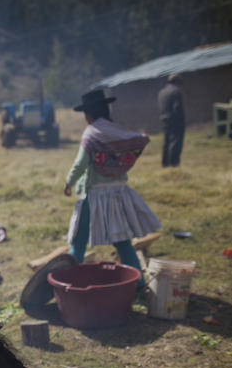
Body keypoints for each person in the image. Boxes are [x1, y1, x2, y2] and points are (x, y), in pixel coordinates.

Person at [64, 89, 160, 289]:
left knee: (78, 240)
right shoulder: (116, 131)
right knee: (122, 241)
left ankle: (68, 282)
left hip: (96, 195)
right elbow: (138, 141)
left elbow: (80, 163)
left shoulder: (92, 132)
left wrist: (69, 182)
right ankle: (139, 283)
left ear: (88, 114)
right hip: (119, 194)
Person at [158, 73, 185, 167]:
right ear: (177, 82)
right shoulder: (176, 91)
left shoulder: (162, 92)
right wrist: (181, 120)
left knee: (166, 142)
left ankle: (165, 163)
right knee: (175, 142)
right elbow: (177, 107)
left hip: (165, 119)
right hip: (175, 120)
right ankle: (173, 163)